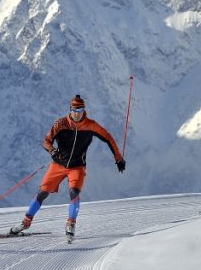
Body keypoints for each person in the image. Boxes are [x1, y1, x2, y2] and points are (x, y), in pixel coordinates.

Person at [10, 95, 125, 243]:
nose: (77, 114)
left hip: (77, 166)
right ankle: (26, 222)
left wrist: (118, 158)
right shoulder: (61, 124)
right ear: (70, 110)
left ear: (84, 111)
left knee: (74, 192)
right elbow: (46, 141)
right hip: (58, 165)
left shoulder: (91, 125)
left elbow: (108, 138)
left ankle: (71, 224)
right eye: (74, 110)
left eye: (80, 110)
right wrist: (52, 150)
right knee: (42, 193)